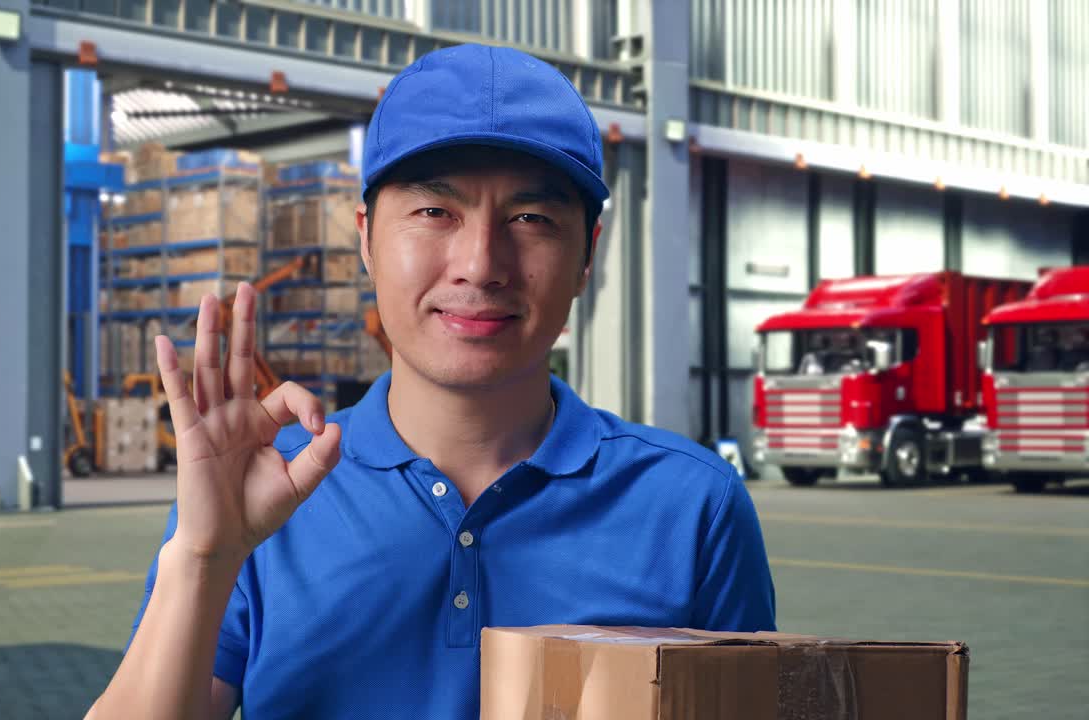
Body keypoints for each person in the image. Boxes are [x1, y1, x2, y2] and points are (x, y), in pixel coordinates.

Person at [86, 43, 775, 720]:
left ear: (587, 256)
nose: (480, 265)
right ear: (365, 238)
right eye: (434, 212)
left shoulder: (692, 508)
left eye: (531, 219)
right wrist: (206, 558)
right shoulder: (265, 495)